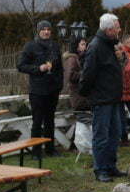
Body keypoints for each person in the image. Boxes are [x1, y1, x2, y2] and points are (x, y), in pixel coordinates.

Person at [79, 13, 125, 182]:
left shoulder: (108, 44)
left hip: (112, 97)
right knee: (101, 136)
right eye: (117, 27)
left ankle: (110, 167)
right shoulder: (96, 46)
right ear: (108, 29)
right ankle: (100, 170)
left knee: (115, 134)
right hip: (101, 99)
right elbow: (88, 73)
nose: (119, 30)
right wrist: (85, 93)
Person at [17, 20, 64, 159]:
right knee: (37, 121)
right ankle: (36, 151)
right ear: (38, 31)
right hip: (37, 90)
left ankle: (50, 149)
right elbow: (21, 66)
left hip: (53, 89)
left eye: (48, 29)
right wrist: (38, 68)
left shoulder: (55, 46)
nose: (46, 32)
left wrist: (59, 83)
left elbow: (59, 67)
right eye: (43, 29)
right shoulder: (30, 46)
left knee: (50, 120)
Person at [63, 36, 90, 124]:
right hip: (78, 97)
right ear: (77, 46)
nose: (85, 47)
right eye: (82, 44)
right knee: (84, 124)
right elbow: (71, 75)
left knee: (85, 124)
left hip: (83, 97)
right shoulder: (72, 59)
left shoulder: (80, 58)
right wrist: (86, 73)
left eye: (85, 44)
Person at [116, 41, 130, 146]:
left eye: (118, 50)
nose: (117, 52)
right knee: (120, 118)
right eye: (114, 51)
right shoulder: (111, 62)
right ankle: (124, 139)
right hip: (119, 95)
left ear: (122, 50)